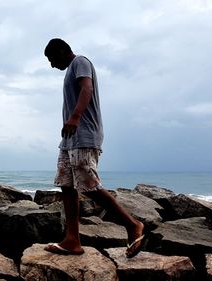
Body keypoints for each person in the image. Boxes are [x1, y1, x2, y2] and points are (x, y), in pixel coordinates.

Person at [43, 38, 145, 258]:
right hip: (69, 139)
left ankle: (132, 225)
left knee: (88, 185)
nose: (51, 65)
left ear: (62, 51)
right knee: (67, 185)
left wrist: (75, 117)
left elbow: (86, 88)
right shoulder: (70, 69)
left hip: (84, 135)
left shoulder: (80, 62)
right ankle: (72, 240)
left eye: (51, 59)